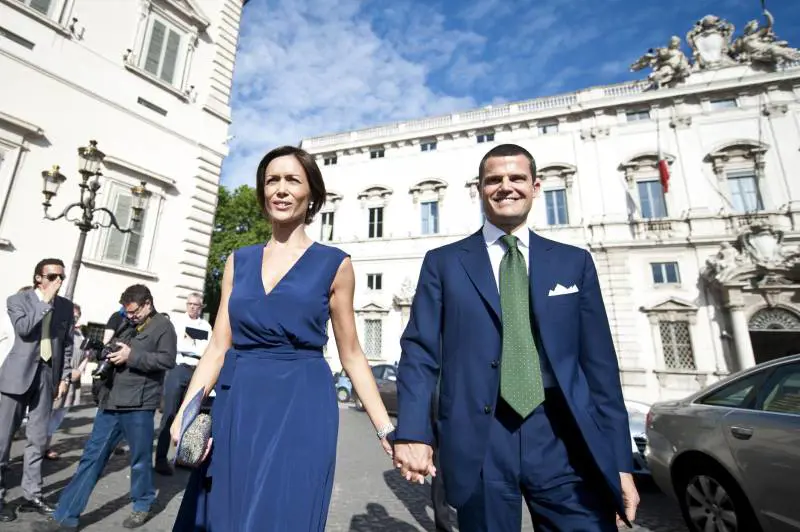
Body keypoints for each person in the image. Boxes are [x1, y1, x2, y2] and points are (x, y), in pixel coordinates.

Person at [392, 144, 640, 532]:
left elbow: (600, 370)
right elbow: (420, 353)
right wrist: (411, 431)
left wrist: (620, 463)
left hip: (563, 435)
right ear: (479, 189)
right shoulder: (443, 263)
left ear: (536, 187)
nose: (505, 186)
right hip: (481, 437)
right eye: (494, 179)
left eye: (517, 178)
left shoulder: (574, 262)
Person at [172, 145, 395, 531]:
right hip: (238, 402)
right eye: (271, 180)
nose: (280, 189)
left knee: (283, 513)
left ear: (311, 194)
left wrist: (384, 426)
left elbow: (352, 355)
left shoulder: (336, 264)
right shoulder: (237, 261)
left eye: (292, 180)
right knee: (225, 511)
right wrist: (185, 413)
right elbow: (218, 347)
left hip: (302, 405)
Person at [37, 284, 177, 531]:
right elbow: (113, 349)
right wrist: (103, 352)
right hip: (111, 400)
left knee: (140, 459)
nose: (130, 316)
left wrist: (132, 356)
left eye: (134, 311)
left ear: (147, 304)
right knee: (91, 458)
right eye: (127, 312)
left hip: (139, 404)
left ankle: (142, 504)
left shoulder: (163, 327)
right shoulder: (125, 323)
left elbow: (167, 360)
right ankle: (65, 516)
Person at [0, 260, 73, 523]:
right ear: (38, 278)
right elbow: (24, 328)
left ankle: (32, 495)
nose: (58, 281)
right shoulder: (18, 300)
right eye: (52, 276)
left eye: (61, 276)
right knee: (3, 439)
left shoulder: (65, 307)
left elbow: (66, 344)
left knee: (38, 440)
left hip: (47, 376)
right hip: (16, 376)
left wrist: (64, 376)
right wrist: (45, 302)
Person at [154, 292, 212, 475]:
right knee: (170, 413)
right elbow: (175, 346)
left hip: (197, 369)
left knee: (191, 414)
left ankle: (184, 457)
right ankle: (161, 459)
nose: (193, 307)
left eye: (196, 305)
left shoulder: (206, 326)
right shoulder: (177, 323)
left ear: (201, 307)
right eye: (190, 304)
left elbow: (208, 349)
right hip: (179, 367)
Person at [44, 303, 88, 460]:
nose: (74, 318)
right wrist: (67, 373)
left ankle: (45, 447)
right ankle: (36, 446)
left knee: (58, 416)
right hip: (59, 378)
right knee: (46, 414)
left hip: (73, 381)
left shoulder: (81, 334)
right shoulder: (59, 330)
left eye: (77, 316)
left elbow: (87, 354)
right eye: (72, 316)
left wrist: (80, 370)